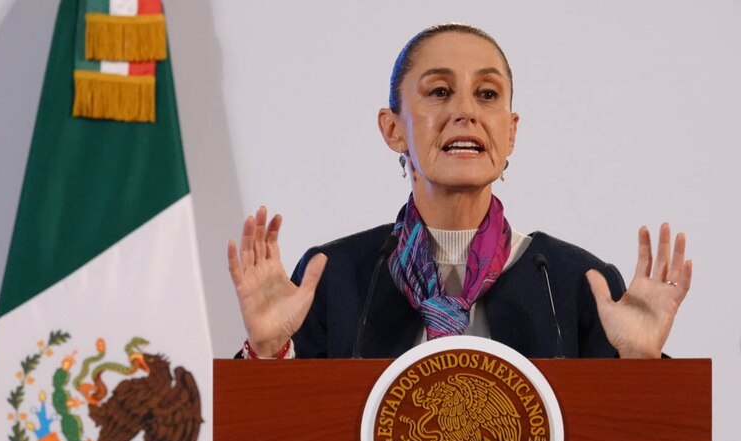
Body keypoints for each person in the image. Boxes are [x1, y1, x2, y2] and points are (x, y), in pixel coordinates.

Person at [227, 23, 692, 360]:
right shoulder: (335, 279)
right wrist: (267, 352)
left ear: (510, 133)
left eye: (487, 94)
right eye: (439, 91)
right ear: (393, 130)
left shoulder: (573, 283)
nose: (466, 111)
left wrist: (640, 365)